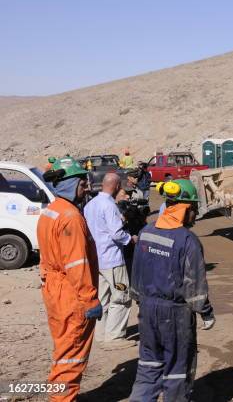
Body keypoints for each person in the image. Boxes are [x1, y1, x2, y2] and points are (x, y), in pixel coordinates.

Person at [129, 179, 214, 402]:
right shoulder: (187, 240)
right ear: (185, 209)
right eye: (194, 209)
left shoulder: (146, 232)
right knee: (177, 370)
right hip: (175, 314)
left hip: (147, 310)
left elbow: (136, 272)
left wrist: (140, 300)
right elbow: (194, 284)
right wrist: (205, 312)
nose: (195, 215)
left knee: (148, 367)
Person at [37, 156, 102, 402]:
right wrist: (90, 300)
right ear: (68, 184)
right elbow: (78, 264)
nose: (86, 188)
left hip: (53, 288)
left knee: (63, 347)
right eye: (82, 184)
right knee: (72, 353)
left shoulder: (51, 211)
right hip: (71, 293)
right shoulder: (71, 217)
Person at [84, 173, 137, 348]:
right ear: (115, 186)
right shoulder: (109, 206)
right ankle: (114, 337)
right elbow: (116, 233)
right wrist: (130, 239)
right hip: (112, 259)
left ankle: (101, 334)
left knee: (103, 298)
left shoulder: (90, 205)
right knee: (121, 297)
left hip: (97, 259)